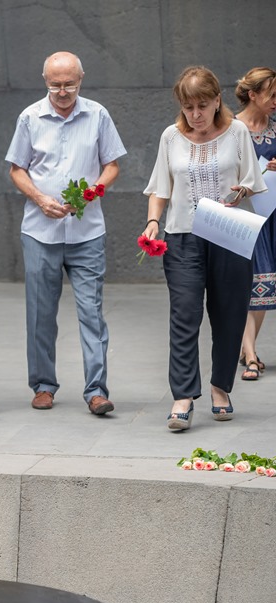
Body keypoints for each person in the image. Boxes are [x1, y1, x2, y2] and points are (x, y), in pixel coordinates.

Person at [142, 65, 267, 431]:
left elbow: (252, 181)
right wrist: (153, 221)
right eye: (187, 107)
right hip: (182, 236)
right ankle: (183, 395)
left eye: (201, 105)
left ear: (217, 101)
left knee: (229, 314)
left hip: (228, 233)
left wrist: (241, 190)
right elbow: (159, 187)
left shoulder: (237, 131)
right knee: (184, 314)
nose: (194, 114)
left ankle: (220, 388)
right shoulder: (171, 137)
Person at [5, 52, 125, 415]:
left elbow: (112, 165)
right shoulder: (29, 116)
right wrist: (40, 199)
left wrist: (93, 192)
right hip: (41, 230)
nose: (62, 91)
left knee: (92, 310)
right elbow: (16, 169)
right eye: (55, 84)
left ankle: (97, 390)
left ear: (81, 79)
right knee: (41, 312)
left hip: (86, 231)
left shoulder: (98, 114)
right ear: (45, 80)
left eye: (69, 84)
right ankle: (43, 385)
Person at [234, 67, 276, 382]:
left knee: (264, 283)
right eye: (271, 95)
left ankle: (247, 348)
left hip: (272, 212)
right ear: (253, 94)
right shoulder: (232, 128)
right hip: (245, 215)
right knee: (253, 283)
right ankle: (249, 353)